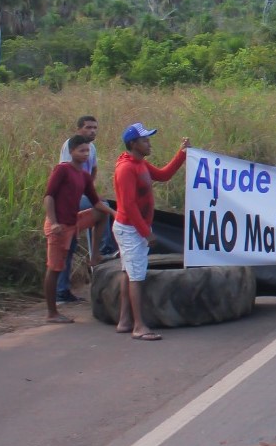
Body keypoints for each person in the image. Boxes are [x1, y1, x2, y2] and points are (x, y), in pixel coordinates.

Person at [112, 123, 189, 341]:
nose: (149, 143)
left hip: (133, 228)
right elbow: (127, 205)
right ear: (133, 144)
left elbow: (164, 175)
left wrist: (181, 154)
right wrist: (146, 232)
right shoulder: (126, 168)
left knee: (129, 272)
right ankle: (139, 326)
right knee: (137, 276)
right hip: (130, 229)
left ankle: (125, 320)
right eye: (145, 140)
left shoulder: (140, 164)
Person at [43, 135, 113, 323]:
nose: (85, 154)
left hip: (74, 222)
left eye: (87, 151)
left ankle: (95, 255)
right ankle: (52, 312)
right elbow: (48, 196)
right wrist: (54, 222)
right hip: (59, 226)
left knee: (102, 213)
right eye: (81, 150)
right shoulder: (62, 170)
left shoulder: (83, 175)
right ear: (71, 151)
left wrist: (117, 213)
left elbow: (96, 202)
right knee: (55, 268)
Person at [55, 115, 109, 303]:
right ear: (79, 129)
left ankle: (62, 291)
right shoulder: (71, 146)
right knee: (104, 209)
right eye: (88, 127)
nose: (92, 131)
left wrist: (89, 189)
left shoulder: (91, 147)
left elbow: (93, 169)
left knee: (70, 247)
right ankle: (102, 251)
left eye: (95, 127)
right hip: (69, 201)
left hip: (81, 195)